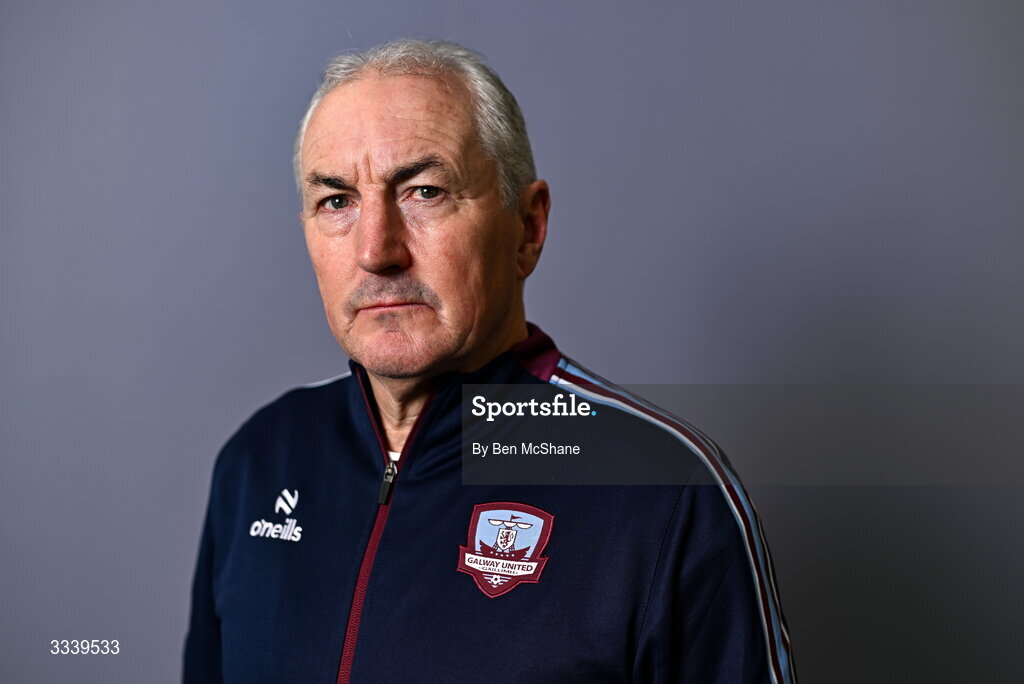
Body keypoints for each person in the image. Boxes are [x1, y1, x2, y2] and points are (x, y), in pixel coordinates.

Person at [184, 39, 795, 683]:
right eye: (337, 201)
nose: (376, 250)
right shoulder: (259, 460)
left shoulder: (664, 492)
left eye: (424, 191)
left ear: (527, 228)